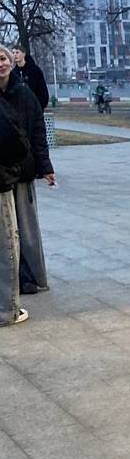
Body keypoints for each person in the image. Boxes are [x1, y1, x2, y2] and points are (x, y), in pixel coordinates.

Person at [0, 45, 56, 296]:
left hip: (22, 170)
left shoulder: (24, 94)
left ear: (11, 62)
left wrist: (45, 167)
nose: (0, 64)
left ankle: (30, 276)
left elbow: (38, 132)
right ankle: (8, 280)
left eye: (3, 58)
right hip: (1, 174)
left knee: (26, 227)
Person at [0, 46, 32, 325]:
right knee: (7, 244)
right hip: (1, 179)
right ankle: (7, 309)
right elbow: (13, 139)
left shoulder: (21, 91)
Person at [12, 44, 49, 111]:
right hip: (19, 112)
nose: (15, 55)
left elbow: (43, 91)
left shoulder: (35, 70)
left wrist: (39, 107)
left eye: (17, 52)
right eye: (13, 53)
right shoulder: (13, 73)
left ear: (23, 54)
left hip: (35, 110)